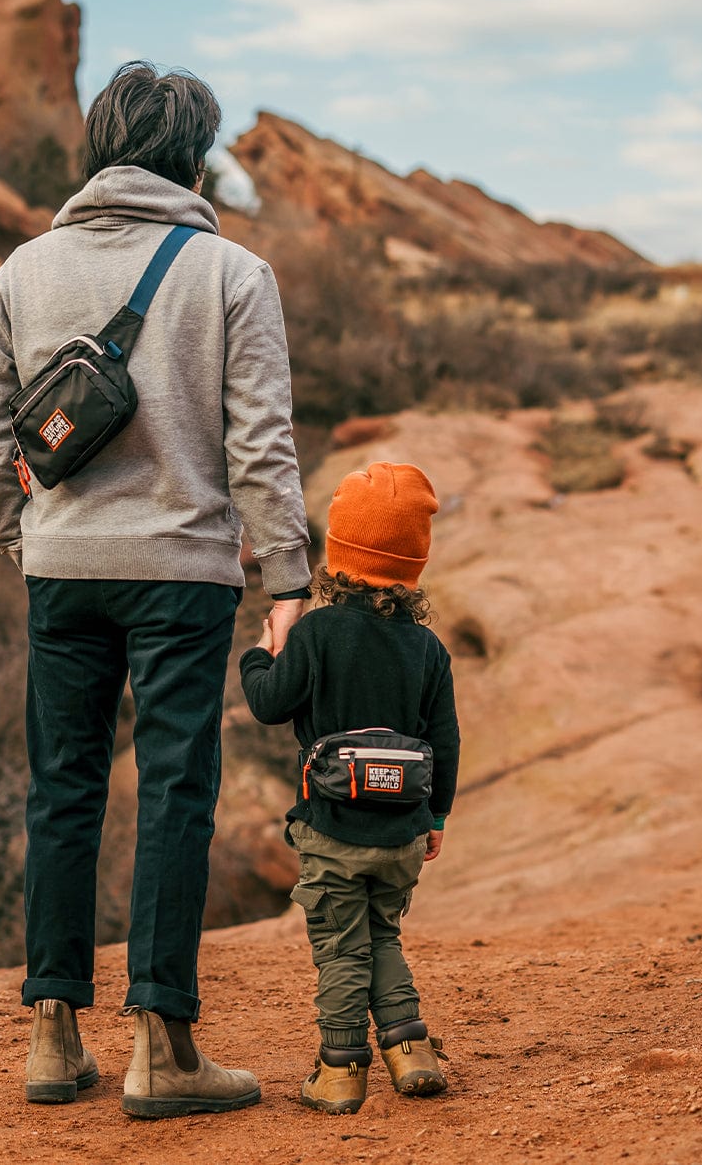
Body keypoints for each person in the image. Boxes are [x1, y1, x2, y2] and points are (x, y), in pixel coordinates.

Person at [0, 61, 311, 1119]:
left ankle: (52, 1037)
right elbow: (262, 446)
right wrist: (285, 575)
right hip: (184, 580)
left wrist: (29, 538)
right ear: (192, 155)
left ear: (97, 148)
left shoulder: (23, 269)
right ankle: (163, 1047)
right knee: (174, 792)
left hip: (63, 572)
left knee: (60, 789)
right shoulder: (233, 274)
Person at [239, 461, 460, 1115]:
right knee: (383, 935)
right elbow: (444, 741)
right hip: (400, 831)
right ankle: (410, 1047)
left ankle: (339, 1071)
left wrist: (263, 654)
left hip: (331, 831)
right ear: (412, 566)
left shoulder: (315, 634)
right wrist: (436, 814)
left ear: (337, 554)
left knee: (341, 945)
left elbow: (270, 705)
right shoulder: (426, 648)